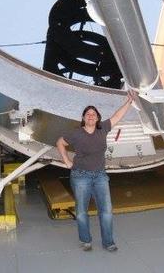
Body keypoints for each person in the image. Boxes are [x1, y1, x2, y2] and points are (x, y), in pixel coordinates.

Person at [56, 93, 135, 252]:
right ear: (84, 118)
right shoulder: (76, 133)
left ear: (98, 118)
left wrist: (130, 101)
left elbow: (117, 115)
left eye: (93, 114)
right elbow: (60, 142)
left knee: (106, 211)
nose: (91, 116)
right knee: (81, 212)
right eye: (88, 114)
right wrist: (66, 161)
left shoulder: (103, 128)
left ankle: (108, 242)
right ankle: (85, 240)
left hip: (100, 176)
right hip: (80, 176)